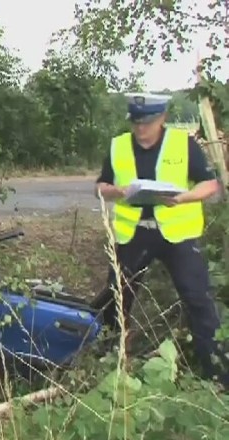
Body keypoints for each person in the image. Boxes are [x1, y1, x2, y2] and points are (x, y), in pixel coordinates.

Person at [94, 92, 227, 387]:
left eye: (148, 122)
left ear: (162, 119)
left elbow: (210, 184)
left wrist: (184, 197)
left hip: (177, 235)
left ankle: (218, 378)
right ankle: (106, 365)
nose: (141, 129)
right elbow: (101, 186)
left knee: (199, 301)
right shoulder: (118, 146)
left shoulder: (183, 143)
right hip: (133, 234)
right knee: (116, 300)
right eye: (136, 122)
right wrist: (118, 191)